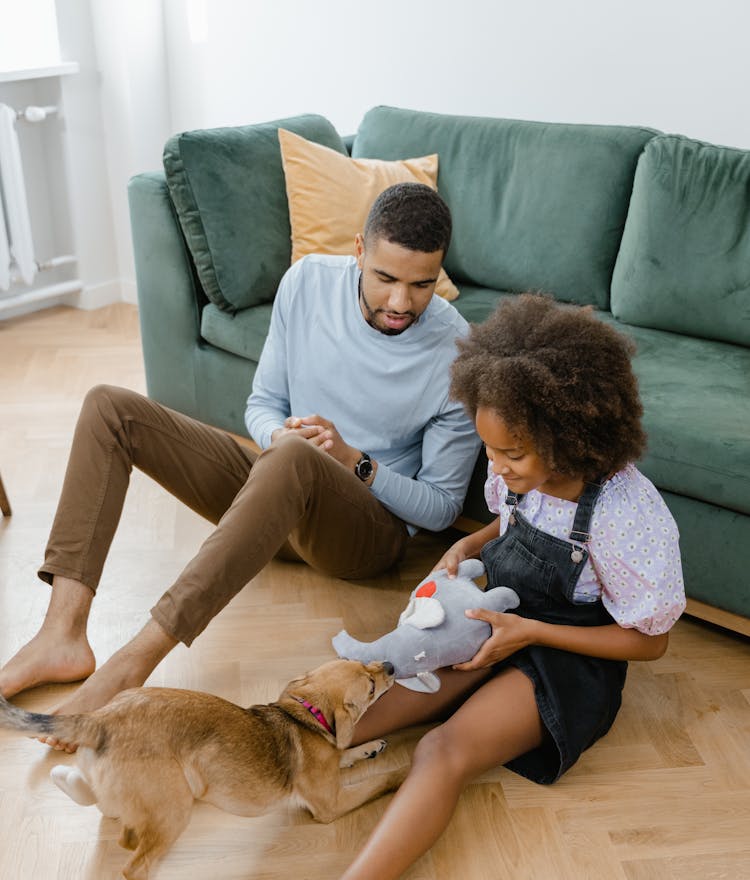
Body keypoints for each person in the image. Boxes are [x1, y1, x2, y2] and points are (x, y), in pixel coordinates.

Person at [189, 292, 686, 880]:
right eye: (490, 448)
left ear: (570, 435)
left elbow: (651, 641)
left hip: (567, 654)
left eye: (510, 453)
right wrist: (467, 547)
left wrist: (530, 632)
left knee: (441, 747)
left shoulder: (628, 514)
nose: (498, 466)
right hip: (489, 615)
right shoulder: (518, 465)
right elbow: (511, 525)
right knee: (351, 705)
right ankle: (177, 778)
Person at [0, 183, 479, 723]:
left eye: (421, 285)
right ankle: (61, 633)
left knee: (299, 461)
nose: (400, 303)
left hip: (365, 536)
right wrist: (281, 438)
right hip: (275, 492)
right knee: (110, 408)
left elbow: (440, 507)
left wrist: (353, 461)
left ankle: (133, 663)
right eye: (386, 279)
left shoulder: (457, 351)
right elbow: (263, 403)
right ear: (359, 251)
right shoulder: (305, 284)